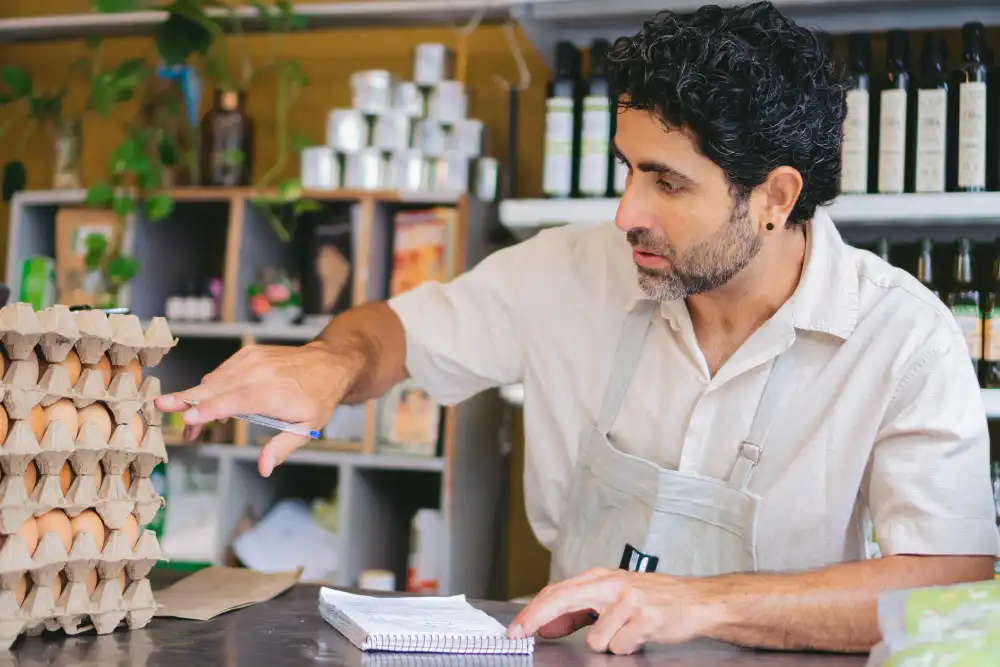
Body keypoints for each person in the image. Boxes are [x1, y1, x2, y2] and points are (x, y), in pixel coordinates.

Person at [157, 1, 1000, 657]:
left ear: (775, 198)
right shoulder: (565, 271)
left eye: (668, 182)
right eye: (626, 169)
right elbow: (393, 334)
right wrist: (329, 364)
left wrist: (704, 600)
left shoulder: (903, 338)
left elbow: (949, 581)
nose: (626, 211)